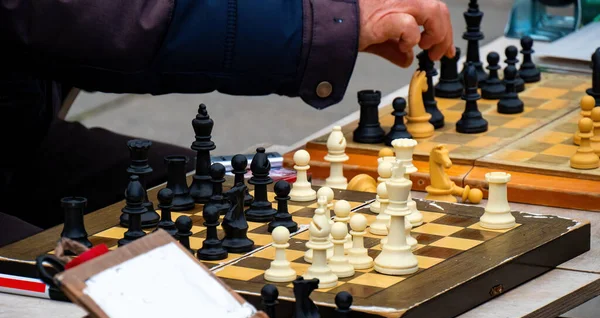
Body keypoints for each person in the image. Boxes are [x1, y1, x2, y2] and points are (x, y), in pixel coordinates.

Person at [0, 0, 454, 247]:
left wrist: (324, 26)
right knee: (67, 293)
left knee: (207, 187)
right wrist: (328, 23)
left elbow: (87, 42)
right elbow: (87, 18)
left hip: (20, 127)